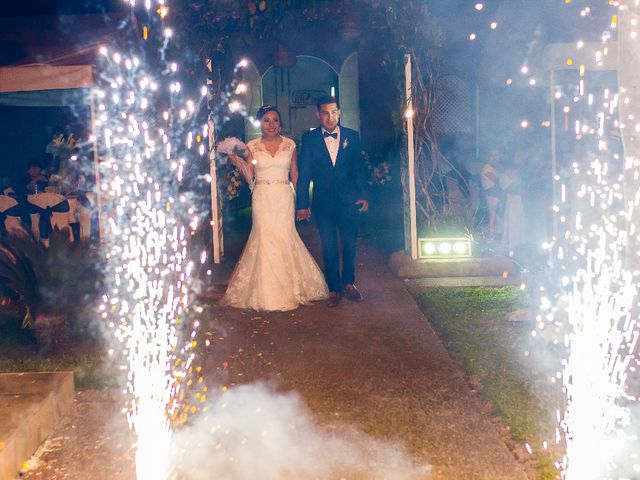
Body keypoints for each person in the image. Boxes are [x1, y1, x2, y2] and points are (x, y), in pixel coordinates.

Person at [221, 105, 328, 311]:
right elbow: (250, 176)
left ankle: (290, 289)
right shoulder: (251, 146)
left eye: (275, 120)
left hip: (283, 196)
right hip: (262, 195)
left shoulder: (290, 145)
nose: (271, 124)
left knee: (283, 235)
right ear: (260, 123)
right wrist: (239, 163)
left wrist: (302, 202)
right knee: (264, 236)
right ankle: (266, 294)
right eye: (267, 120)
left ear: (280, 123)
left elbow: (295, 174)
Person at [296, 97, 369, 308]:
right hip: (323, 202)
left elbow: (359, 170)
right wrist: (302, 204)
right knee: (328, 246)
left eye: (334, 112)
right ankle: (334, 288)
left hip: (349, 201)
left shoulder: (352, 137)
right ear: (318, 115)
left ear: (339, 112)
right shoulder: (309, 139)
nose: (330, 117)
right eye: (325, 113)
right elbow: (305, 173)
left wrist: (363, 195)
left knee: (349, 243)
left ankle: (349, 283)